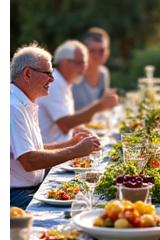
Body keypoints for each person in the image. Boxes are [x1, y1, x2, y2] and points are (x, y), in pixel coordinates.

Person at [10, 43, 101, 209]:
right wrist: (75, 151)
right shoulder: (12, 107)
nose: (52, 79)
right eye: (48, 73)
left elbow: (32, 149)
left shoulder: (23, 102)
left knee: (88, 196)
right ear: (28, 73)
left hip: (27, 189)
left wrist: (70, 143)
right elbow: (29, 161)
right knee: (84, 205)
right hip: (15, 196)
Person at [37, 40, 118, 144]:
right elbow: (65, 125)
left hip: (60, 148)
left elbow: (63, 124)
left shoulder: (64, 82)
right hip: (52, 154)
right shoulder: (53, 83)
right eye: (80, 63)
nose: (84, 68)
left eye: (85, 63)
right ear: (65, 63)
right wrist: (99, 106)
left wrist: (79, 129)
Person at [72, 27, 112, 111]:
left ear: (107, 52)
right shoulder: (73, 76)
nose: (97, 55)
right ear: (84, 52)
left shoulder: (104, 73)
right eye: (92, 51)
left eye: (101, 50)